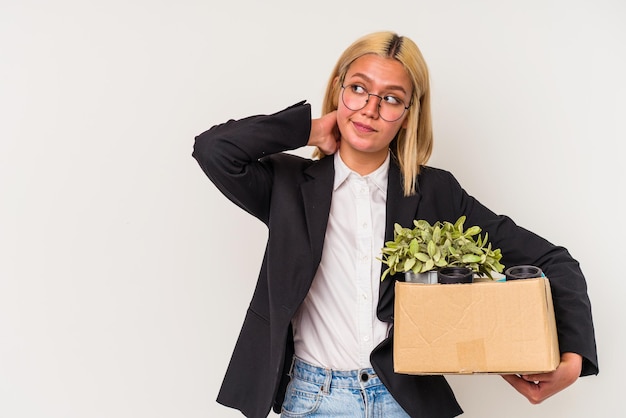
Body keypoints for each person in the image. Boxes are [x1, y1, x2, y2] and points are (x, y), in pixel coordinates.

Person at [192, 31, 598, 418]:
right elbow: (214, 150)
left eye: (390, 98)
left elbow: (554, 261)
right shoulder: (287, 184)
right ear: (338, 89)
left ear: (406, 115)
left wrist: (573, 358)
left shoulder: (435, 192)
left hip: (404, 399)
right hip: (313, 398)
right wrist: (310, 129)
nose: (370, 108)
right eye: (358, 88)